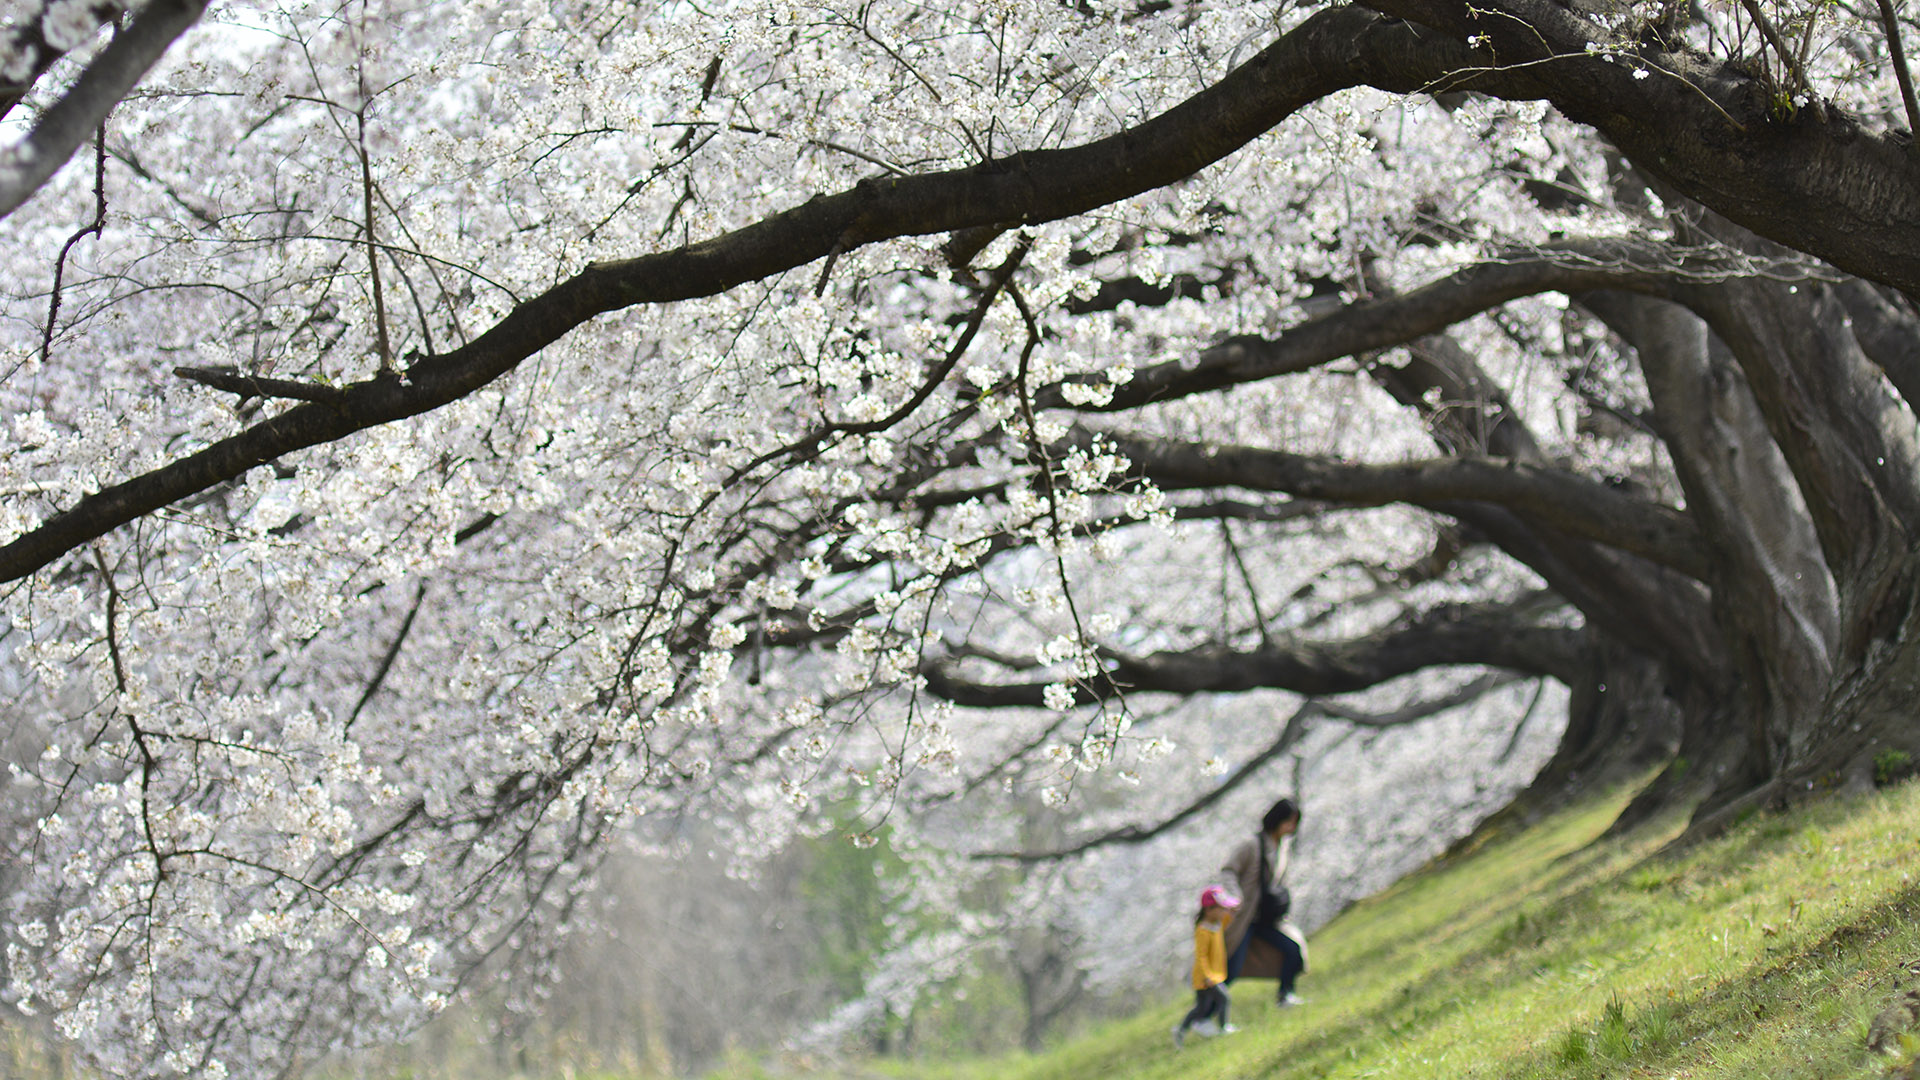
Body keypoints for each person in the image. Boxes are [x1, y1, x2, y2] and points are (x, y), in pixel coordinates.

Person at [1222, 797, 1308, 1006]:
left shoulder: (1282, 847)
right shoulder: (1252, 845)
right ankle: (1204, 1013)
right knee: (1231, 968)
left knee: (1292, 949)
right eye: (1289, 821)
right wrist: (1236, 896)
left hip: (1268, 917)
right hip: (1246, 918)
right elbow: (1228, 871)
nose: (1291, 827)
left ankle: (1285, 995)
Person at [1172, 885, 1240, 1048]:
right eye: (1221, 909)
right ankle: (1224, 1027)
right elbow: (1201, 956)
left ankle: (1180, 1029)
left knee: (1201, 1009)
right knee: (1224, 998)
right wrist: (1207, 976)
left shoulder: (1216, 924)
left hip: (1213, 974)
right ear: (1209, 910)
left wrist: (1232, 910)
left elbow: (1228, 919)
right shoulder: (1203, 930)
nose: (1224, 912)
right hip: (1206, 977)